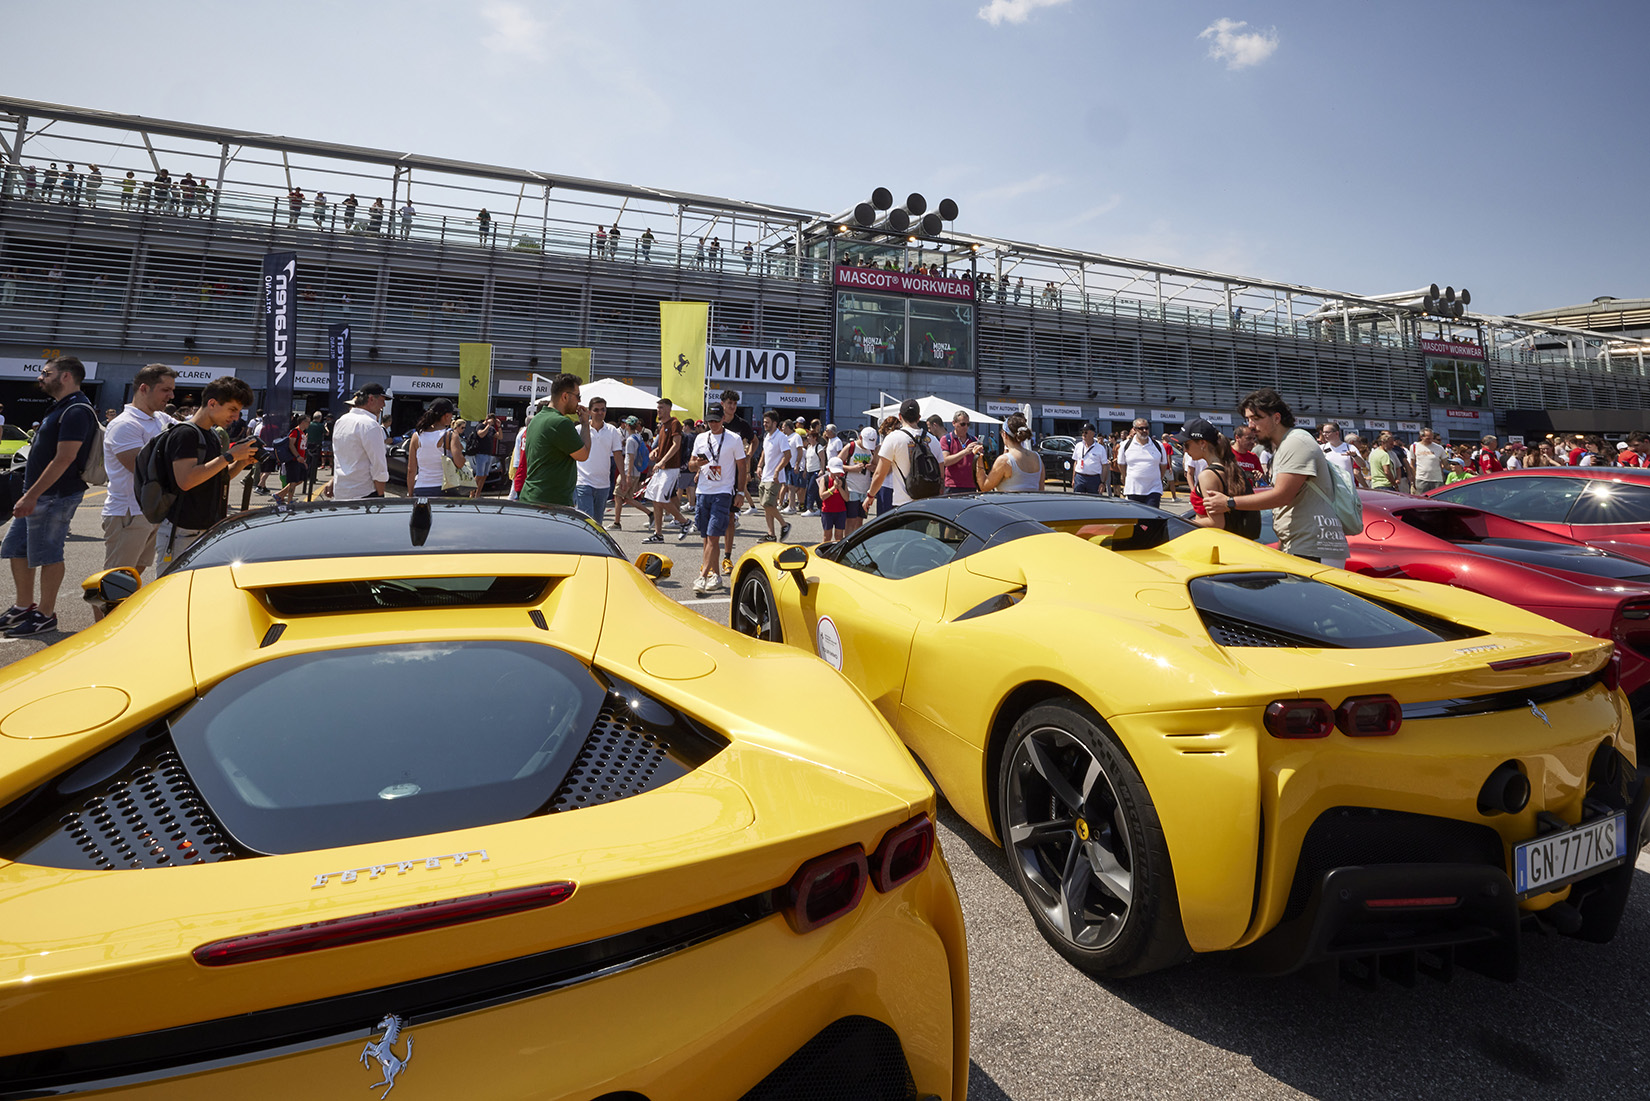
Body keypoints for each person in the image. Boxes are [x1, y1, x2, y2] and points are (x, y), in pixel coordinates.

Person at [1, 357, 101, 638]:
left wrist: (31, 495)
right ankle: (23, 606)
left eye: (46, 373)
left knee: (48, 554)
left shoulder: (76, 410)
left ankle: (45, 615)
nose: (41, 378)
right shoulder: (59, 407)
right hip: (38, 494)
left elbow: (64, 458)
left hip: (54, 496)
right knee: (16, 548)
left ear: (66, 376)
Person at [1205, 387, 1348, 568]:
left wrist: (1229, 502)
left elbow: (1282, 495)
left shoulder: (1296, 442)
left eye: (1256, 418)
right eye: (1248, 419)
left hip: (1316, 547)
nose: (1250, 425)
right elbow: (1289, 505)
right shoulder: (1284, 445)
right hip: (1303, 544)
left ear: (1276, 418)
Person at [156, 376, 260, 570]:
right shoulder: (185, 433)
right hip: (183, 530)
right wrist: (229, 456)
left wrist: (240, 463)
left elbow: (217, 477)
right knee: (174, 590)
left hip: (206, 527)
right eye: (232, 409)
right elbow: (186, 480)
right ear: (212, 403)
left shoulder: (211, 434)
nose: (236, 417)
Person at [686, 404, 747, 596]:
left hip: (723, 492)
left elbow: (742, 467)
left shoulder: (734, 439)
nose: (712, 424)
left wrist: (741, 492)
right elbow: (690, 465)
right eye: (709, 420)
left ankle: (703, 575)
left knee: (713, 536)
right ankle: (716, 576)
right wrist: (697, 464)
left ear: (723, 420)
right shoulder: (701, 438)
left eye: (716, 420)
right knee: (706, 537)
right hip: (703, 491)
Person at [519, 375, 591, 508]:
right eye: (578, 396)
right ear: (565, 396)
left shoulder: (536, 419)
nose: (579, 401)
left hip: (532, 496)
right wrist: (585, 424)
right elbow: (583, 455)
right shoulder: (561, 423)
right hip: (551, 502)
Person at [1181, 418, 1259, 540]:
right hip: (1238, 541)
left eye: (1187, 445)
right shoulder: (1232, 468)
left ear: (1203, 444)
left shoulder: (1208, 475)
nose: (1185, 450)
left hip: (1216, 541)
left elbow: (1216, 523)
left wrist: (1181, 524)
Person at [868, 399, 942, 510]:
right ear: (919, 417)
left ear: (900, 416)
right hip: (928, 504)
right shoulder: (934, 440)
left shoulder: (893, 438)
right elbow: (941, 475)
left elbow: (880, 474)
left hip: (904, 503)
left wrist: (870, 496)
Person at [327, 384, 389, 499]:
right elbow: (378, 466)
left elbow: (340, 457)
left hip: (341, 491)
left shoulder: (341, 421)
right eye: (382, 400)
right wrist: (380, 495)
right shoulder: (370, 425)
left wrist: (333, 480)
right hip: (363, 493)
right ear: (371, 399)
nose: (384, 405)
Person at [573, 397, 623, 524]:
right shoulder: (579, 430)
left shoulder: (612, 431)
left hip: (603, 484)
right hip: (583, 482)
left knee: (598, 522)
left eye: (603, 410)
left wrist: (624, 476)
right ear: (589, 411)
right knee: (587, 521)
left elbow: (617, 454)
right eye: (596, 410)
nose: (600, 413)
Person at [406, 398, 463, 497]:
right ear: (447, 415)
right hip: (443, 488)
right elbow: (459, 463)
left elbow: (411, 469)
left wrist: (411, 493)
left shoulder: (416, 435)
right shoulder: (450, 435)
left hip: (420, 488)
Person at [757, 411, 794, 543]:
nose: (764, 424)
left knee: (767, 503)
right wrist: (760, 465)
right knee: (767, 505)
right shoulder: (767, 436)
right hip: (765, 475)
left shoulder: (781, 437)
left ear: (774, 423)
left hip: (775, 477)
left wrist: (778, 470)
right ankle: (771, 534)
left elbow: (787, 455)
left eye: (767, 422)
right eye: (764, 422)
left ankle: (784, 525)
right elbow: (764, 452)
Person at [981, 412, 1043, 491]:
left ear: (1004, 434)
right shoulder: (1037, 458)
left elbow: (984, 487)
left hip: (1007, 503)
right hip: (1032, 502)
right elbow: (1041, 490)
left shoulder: (1004, 460)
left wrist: (979, 459)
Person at [1116, 418, 1169, 508]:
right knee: (1135, 518)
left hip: (1153, 489)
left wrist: (1158, 478)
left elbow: (1163, 465)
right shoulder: (1125, 445)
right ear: (1135, 429)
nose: (1144, 431)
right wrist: (1126, 477)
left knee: (1151, 518)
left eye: (1146, 428)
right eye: (1141, 428)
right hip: (1133, 489)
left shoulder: (1158, 445)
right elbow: (1121, 464)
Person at [842, 426, 877, 536]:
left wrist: (872, 467)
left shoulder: (871, 449)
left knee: (860, 521)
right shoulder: (851, 446)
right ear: (860, 437)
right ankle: (847, 544)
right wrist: (852, 469)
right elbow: (836, 464)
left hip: (865, 489)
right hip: (851, 488)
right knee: (850, 521)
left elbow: (876, 466)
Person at [275, 412, 310, 505]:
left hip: (300, 460)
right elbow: (291, 444)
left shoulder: (302, 433)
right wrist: (297, 456)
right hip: (293, 460)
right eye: (308, 422)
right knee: (293, 481)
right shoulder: (295, 431)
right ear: (302, 422)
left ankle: (280, 494)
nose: (308, 424)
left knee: (300, 479)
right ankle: (289, 500)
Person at [469, 414, 506, 496]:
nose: (492, 423)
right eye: (491, 421)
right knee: (479, 475)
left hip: (489, 454)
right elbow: (481, 434)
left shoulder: (492, 429)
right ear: (487, 419)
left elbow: (500, 437)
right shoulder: (480, 426)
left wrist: (499, 427)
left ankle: (477, 494)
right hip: (481, 454)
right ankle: (471, 493)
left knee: (485, 475)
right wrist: (488, 425)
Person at [818, 456, 848, 545]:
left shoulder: (843, 481)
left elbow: (846, 498)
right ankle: (825, 552)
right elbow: (822, 496)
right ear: (829, 469)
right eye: (835, 472)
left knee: (839, 536)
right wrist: (833, 488)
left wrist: (839, 488)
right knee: (827, 536)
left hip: (840, 511)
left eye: (839, 472)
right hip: (827, 511)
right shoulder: (825, 479)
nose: (837, 474)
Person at [1071, 423, 1107, 495]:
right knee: (1078, 501)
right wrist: (1073, 478)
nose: (1084, 434)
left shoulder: (1100, 448)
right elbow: (1076, 462)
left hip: (1094, 479)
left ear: (1092, 434)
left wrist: (1103, 482)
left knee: (1094, 502)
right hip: (1080, 477)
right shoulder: (1078, 446)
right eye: (1082, 432)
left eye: (1086, 432)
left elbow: (1104, 466)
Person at [1410, 428, 1447, 494]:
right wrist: (1414, 477)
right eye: (1428, 438)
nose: (1430, 440)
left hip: (1437, 479)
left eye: (1431, 438)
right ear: (1421, 437)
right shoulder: (1414, 447)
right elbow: (1412, 464)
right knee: (1422, 501)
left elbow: (1446, 464)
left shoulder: (1439, 448)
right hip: (1421, 479)